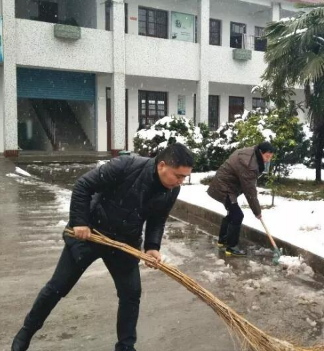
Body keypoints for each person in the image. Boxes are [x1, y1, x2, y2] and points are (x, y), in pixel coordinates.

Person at [11, 143, 194, 351]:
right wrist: (80, 221)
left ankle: (125, 347)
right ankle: (25, 333)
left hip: (125, 244)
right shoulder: (126, 166)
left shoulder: (171, 190)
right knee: (57, 287)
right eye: (178, 176)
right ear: (162, 165)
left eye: (184, 177)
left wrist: (152, 246)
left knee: (131, 295)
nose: (180, 182)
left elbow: (158, 218)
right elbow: (83, 186)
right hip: (91, 235)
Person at [207, 142, 275, 256]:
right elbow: (250, 191)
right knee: (238, 215)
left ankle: (223, 240)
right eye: (267, 156)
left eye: (270, 157)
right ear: (260, 152)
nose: (268, 160)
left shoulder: (252, 153)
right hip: (224, 188)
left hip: (224, 184)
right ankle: (231, 247)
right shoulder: (249, 165)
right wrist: (257, 211)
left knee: (232, 214)